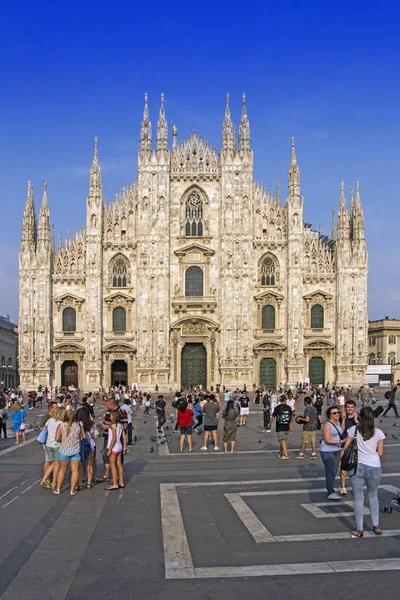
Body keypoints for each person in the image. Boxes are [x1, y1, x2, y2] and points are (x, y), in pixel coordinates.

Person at [343, 407, 385, 538]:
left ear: (359, 417)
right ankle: (376, 526)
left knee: (358, 498)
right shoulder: (378, 432)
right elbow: (381, 453)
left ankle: (359, 529)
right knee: (373, 495)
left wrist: (342, 466)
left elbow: (345, 448)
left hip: (357, 467)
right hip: (374, 467)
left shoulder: (353, 430)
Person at [54, 405, 84, 495]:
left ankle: (58, 489)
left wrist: (63, 440)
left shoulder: (61, 425)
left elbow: (57, 438)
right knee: (75, 470)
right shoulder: (78, 425)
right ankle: (72, 490)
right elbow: (83, 437)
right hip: (75, 450)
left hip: (64, 450)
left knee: (62, 470)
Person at [99, 397, 128, 482]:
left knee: (116, 459)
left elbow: (125, 426)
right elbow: (106, 421)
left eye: (107, 405)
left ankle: (117, 477)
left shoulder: (122, 412)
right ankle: (107, 474)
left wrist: (109, 427)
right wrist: (102, 424)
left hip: (116, 439)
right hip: (107, 437)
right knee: (105, 456)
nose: (106, 407)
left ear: (112, 405)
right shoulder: (109, 412)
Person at [320, 406, 343, 500]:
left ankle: (331, 488)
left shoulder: (338, 423)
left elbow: (341, 431)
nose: (337, 414)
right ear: (330, 415)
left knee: (335, 469)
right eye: (334, 413)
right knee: (330, 470)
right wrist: (340, 442)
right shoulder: (327, 425)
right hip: (327, 450)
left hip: (336, 449)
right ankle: (330, 491)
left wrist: (344, 419)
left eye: (338, 412)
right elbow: (327, 439)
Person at [40, 406, 65, 490]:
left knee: (52, 463)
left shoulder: (50, 420)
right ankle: (54, 482)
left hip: (48, 444)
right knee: (57, 464)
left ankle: (45, 479)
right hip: (56, 444)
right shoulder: (61, 423)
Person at [339, 400, 359, 495]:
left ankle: (355, 486)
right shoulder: (343, 417)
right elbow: (342, 431)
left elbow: (362, 429)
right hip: (344, 444)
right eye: (348, 407)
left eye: (351, 407)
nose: (350, 409)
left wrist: (356, 421)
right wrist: (343, 419)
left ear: (354, 407)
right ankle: (343, 487)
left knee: (356, 466)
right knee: (344, 465)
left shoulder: (358, 416)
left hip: (356, 444)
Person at [105, 410, 126, 490]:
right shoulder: (120, 425)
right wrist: (124, 447)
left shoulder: (113, 426)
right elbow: (124, 437)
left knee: (112, 465)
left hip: (113, 447)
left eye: (111, 416)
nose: (110, 417)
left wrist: (109, 449)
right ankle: (121, 482)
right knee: (119, 464)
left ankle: (115, 483)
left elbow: (113, 438)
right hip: (119, 446)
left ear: (113, 417)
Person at [269, 395, 293, 459]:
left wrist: (269, 423)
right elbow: (291, 418)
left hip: (279, 426)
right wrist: (291, 427)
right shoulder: (289, 408)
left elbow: (273, 416)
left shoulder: (277, 407)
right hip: (286, 426)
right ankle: (280, 452)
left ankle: (286, 455)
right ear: (285, 400)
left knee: (282, 440)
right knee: (283, 440)